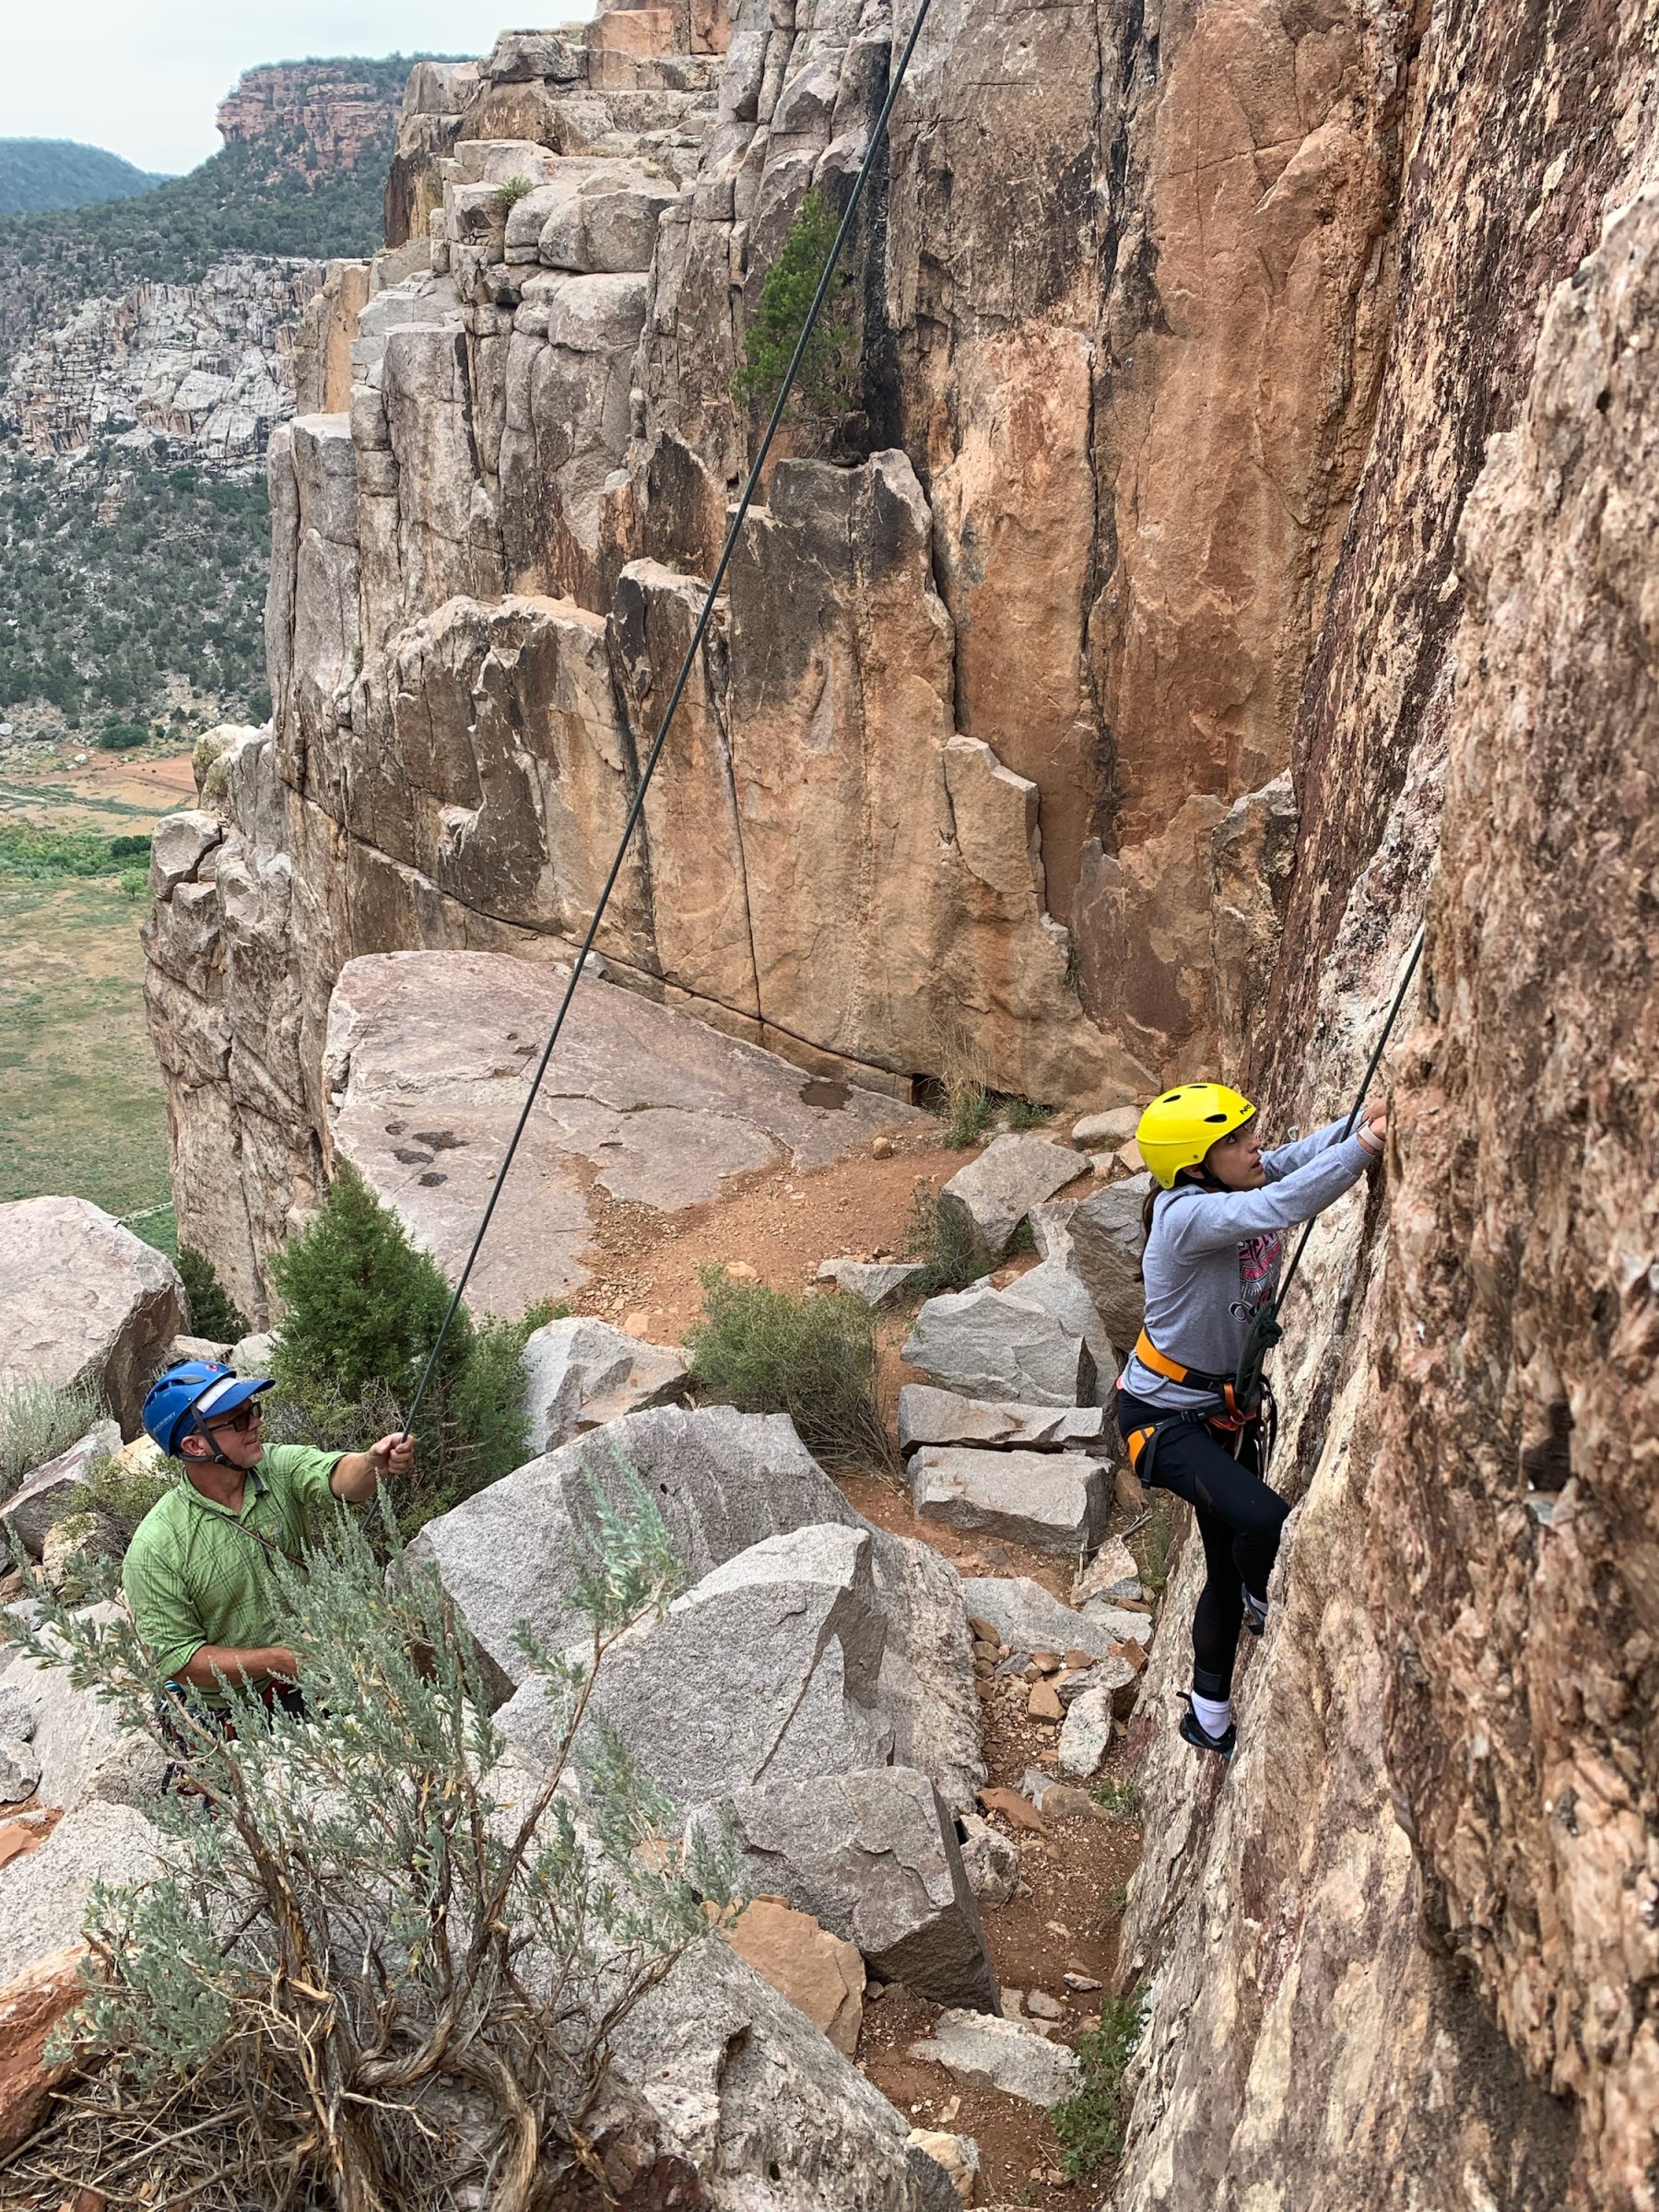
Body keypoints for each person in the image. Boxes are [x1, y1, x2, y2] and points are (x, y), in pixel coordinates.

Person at [1120, 1083, 1386, 1759]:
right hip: (1162, 1419)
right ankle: (1264, 1601)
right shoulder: (1185, 1217)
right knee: (1265, 1521)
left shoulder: (1231, 1183)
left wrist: (1362, 1121)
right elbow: (1281, 1203)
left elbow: (1291, 1162)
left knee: (1222, 1566)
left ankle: (1208, 1710)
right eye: (1235, 1142)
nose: (1253, 1146)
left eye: (1249, 1132)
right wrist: (1366, 1147)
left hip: (1220, 1410)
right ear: (1195, 1166)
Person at [121, 1359, 414, 1730]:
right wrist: (277, 1660)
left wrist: (374, 1463)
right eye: (238, 1419)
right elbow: (180, 1660)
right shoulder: (155, 1548)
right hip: (233, 1711)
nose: (256, 1423)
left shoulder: (275, 1466)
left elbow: (337, 1477)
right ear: (195, 1445)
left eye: (253, 1410)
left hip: (313, 1671)